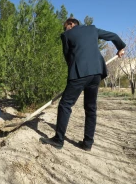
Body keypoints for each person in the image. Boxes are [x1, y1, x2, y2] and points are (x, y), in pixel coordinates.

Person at [40, 17, 126, 151]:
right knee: (90, 108)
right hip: (97, 72)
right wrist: (120, 47)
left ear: (70, 24)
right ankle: (87, 143)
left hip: (79, 72)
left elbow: (68, 58)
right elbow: (113, 36)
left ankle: (58, 139)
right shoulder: (92, 29)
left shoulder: (67, 34)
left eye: (65, 26)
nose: (65, 29)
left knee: (65, 104)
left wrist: (73, 76)